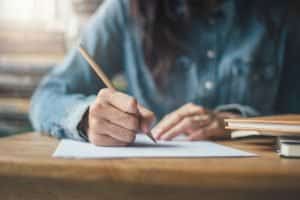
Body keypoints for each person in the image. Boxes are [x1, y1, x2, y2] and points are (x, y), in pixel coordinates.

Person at [30, 0, 300, 146]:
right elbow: (47, 95)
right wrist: (87, 118)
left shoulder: (285, 13)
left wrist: (235, 124)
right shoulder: (126, 10)